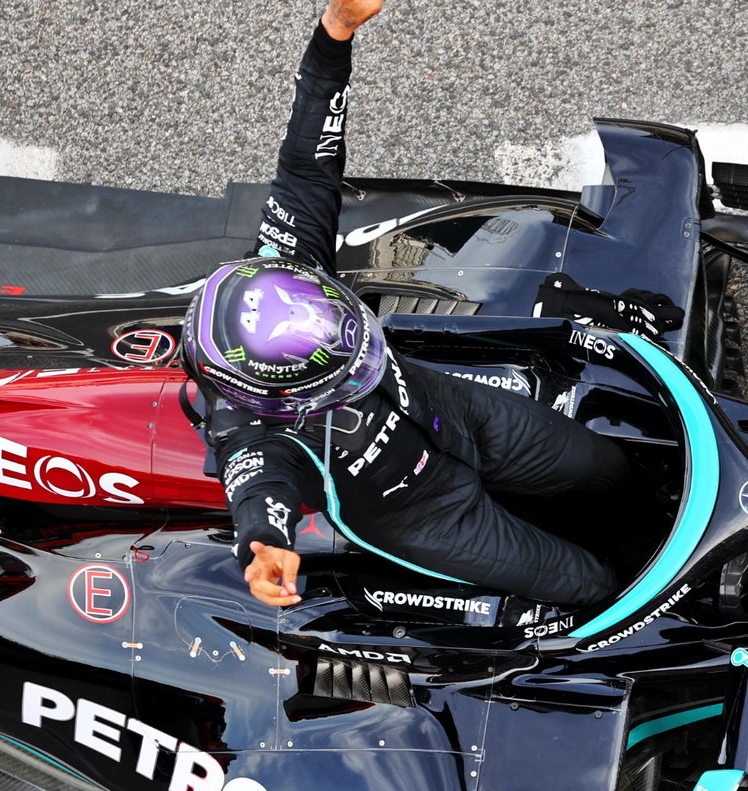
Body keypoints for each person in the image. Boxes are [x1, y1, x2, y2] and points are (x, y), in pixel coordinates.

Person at [182, 0, 635, 609]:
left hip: (457, 411)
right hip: (422, 515)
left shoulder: (287, 263)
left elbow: (306, 165)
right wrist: (264, 549)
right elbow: (259, 493)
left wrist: (333, 35)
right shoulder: (252, 429)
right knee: (593, 585)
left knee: (610, 472)